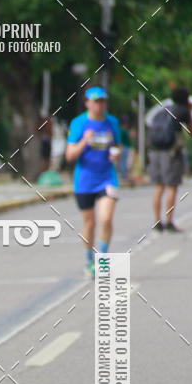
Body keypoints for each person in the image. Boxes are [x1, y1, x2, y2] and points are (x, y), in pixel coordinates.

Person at [65, 86, 121, 279]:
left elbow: (117, 147)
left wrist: (117, 152)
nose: (99, 105)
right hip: (85, 180)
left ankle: (102, 259)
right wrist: (85, 141)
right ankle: (89, 261)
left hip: (107, 177)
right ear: (87, 102)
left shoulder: (112, 122)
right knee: (89, 223)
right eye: (96, 101)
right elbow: (70, 155)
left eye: (103, 101)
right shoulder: (79, 123)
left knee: (106, 218)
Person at [148, 87, 192, 232]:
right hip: (171, 152)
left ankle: (157, 221)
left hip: (156, 151)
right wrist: (190, 111)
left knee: (159, 187)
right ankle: (169, 222)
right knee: (172, 186)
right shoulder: (183, 111)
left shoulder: (163, 109)